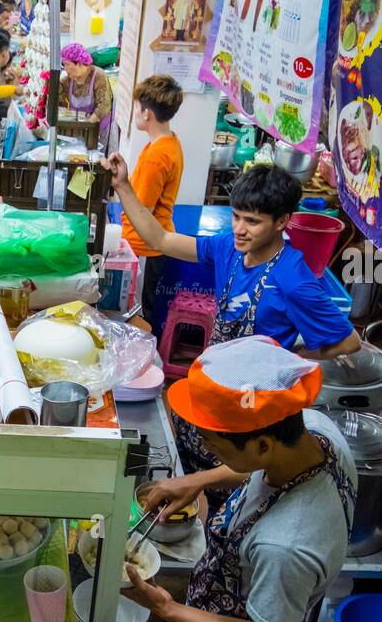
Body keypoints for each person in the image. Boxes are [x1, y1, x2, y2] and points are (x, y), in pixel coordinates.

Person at [124, 338, 357, 622]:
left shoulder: (285, 545)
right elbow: (255, 465)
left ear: (262, 445)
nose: (208, 452)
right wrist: (199, 481)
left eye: (216, 446)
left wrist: (166, 608)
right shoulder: (318, 435)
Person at [108, 157, 361, 482]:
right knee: (187, 459)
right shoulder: (228, 247)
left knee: (232, 479)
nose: (240, 229)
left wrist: (291, 358)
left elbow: (349, 341)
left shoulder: (294, 280)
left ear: (282, 221)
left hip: (251, 403)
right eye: (236, 216)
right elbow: (161, 241)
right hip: (215, 384)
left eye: (252, 221)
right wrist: (123, 186)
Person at [109, 75, 185, 329]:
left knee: (138, 314)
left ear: (147, 113)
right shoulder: (169, 142)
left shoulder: (157, 155)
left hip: (144, 246)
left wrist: (119, 185)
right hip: (149, 243)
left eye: (137, 107)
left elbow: (143, 210)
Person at [57, 42, 112, 132]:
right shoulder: (66, 81)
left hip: (102, 128)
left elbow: (104, 105)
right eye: (64, 65)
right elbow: (59, 104)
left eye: (67, 64)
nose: (65, 68)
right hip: (82, 129)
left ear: (79, 63)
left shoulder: (98, 75)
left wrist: (86, 127)